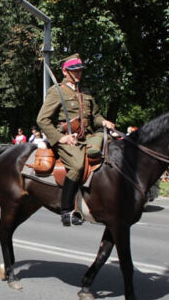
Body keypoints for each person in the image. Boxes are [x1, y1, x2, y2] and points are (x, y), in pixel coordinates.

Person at [36, 53, 115, 226]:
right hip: (68, 139)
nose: (78, 73)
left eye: (80, 70)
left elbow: (95, 117)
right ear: (65, 72)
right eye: (74, 71)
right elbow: (42, 119)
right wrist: (60, 138)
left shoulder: (85, 92)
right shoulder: (57, 92)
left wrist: (104, 122)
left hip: (87, 137)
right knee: (77, 165)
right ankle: (66, 210)